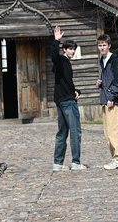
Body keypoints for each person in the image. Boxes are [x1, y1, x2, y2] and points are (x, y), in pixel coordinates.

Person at [50, 26, 85, 171]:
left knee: (62, 133)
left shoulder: (65, 64)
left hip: (63, 100)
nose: (72, 51)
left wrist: (76, 90)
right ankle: (76, 162)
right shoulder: (61, 60)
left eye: (73, 49)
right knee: (75, 132)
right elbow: (53, 56)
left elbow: (66, 82)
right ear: (64, 49)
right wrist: (56, 41)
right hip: (68, 103)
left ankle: (57, 164)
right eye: (70, 48)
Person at [96, 34, 118, 169]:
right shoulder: (102, 60)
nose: (102, 48)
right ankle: (114, 158)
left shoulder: (116, 60)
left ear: (109, 45)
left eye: (104, 45)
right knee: (107, 134)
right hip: (105, 99)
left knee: (113, 132)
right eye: (100, 45)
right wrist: (100, 83)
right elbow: (109, 79)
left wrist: (113, 98)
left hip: (113, 100)